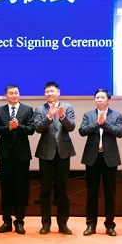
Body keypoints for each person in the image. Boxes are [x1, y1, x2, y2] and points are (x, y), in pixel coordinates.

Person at [79, 88, 122, 237]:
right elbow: (82, 131)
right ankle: (90, 225)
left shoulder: (116, 115)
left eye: (102, 97)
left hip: (109, 158)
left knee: (110, 193)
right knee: (91, 193)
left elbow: (120, 132)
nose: (99, 100)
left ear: (108, 100)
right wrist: (97, 124)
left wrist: (104, 124)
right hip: (92, 158)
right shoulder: (88, 115)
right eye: (97, 97)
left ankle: (110, 225)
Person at [34, 81, 76, 235]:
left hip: (63, 153)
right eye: (47, 92)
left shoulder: (68, 107)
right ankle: (45, 223)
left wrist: (62, 116)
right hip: (46, 153)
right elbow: (38, 128)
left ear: (58, 92)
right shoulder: (39, 109)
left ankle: (63, 224)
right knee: (45, 191)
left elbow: (71, 127)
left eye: (52, 91)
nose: (49, 94)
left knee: (63, 190)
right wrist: (49, 117)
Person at [0, 84, 35, 235]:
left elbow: (31, 129)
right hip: (4, 155)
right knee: (6, 188)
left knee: (21, 188)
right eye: (11, 93)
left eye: (16, 93)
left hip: (22, 155)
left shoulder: (27, 110)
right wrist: (9, 128)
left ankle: (19, 221)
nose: (14, 95)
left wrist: (19, 127)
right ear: (6, 95)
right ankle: (6, 221)